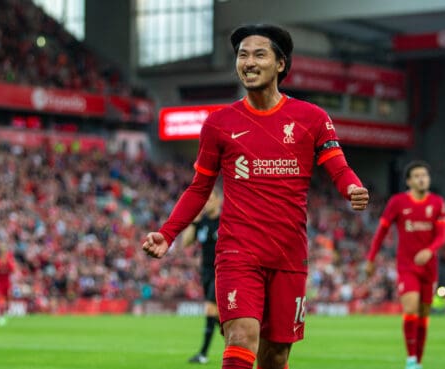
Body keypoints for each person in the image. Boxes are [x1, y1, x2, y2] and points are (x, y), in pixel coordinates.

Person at [143, 24, 369, 369]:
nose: (248, 61)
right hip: (237, 251)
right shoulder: (219, 123)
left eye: (258, 54)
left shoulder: (312, 118)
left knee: (276, 356)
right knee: (242, 336)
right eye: (242, 55)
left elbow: (339, 169)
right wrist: (168, 232)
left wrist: (352, 187)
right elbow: (199, 188)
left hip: (289, 254)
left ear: (280, 64)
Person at [365, 160, 445, 369]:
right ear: (409, 181)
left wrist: (429, 251)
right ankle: (411, 360)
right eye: (418, 176)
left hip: (430, 268)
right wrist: (371, 258)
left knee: (423, 315)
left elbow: (442, 235)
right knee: (410, 307)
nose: (422, 179)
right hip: (407, 266)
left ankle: (418, 361)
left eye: (425, 175)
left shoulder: (438, 203)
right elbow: (382, 231)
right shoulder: (397, 202)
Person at [181, 189, 222, 364]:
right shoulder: (203, 222)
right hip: (205, 272)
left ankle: (203, 354)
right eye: (205, 200)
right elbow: (186, 242)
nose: (207, 203)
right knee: (219, 317)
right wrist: (194, 222)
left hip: (222, 271)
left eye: (210, 199)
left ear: (219, 201)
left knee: (210, 309)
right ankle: (241, 344)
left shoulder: (226, 220)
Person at [0, 245, 15, 326]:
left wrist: (9, 263)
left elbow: (13, 271)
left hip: (7, 283)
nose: (4, 254)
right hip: (0, 283)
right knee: (0, 299)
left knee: (8, 299)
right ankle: (0, 315)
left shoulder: (9, 262)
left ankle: (6, 311)